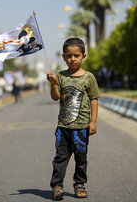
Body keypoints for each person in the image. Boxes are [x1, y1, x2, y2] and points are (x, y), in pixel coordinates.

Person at [47, 38, 100, 200]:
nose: (73, 59)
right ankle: (57, 185)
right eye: (69, 56)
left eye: (76, 55)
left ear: (83, 56)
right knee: (60, 158)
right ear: (63, 57)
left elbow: (94, 99)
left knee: (81, 158)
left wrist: (93, 121)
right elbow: (55, 98)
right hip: (63, 127)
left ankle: (79, 184)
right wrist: (54, 84)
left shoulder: (89, 77)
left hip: (81, 127)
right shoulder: (61, 76)